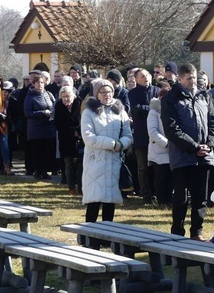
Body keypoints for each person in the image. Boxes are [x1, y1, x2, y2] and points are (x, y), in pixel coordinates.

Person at [161, 63, 214, 240]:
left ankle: (197, 232)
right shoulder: (170, 99)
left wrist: (209, 145)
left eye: (195, 77)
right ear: (180, 79)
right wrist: (194, 147)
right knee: (181, 198)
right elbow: (172, 129)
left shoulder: (205, 96)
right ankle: (177, 233)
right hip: (182, 156)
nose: (193, 81)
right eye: (189, 78)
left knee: (200, 198)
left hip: (204, 156)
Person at [81, 78, 133, 222]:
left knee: (110, 203)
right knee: (94, 202)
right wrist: (112, 144)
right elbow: (88, 137)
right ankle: (89, 238)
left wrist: (121, 144)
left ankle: (108, 237)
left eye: (109, 91)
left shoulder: (120, 111)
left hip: (114, 161)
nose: (106, 95)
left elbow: (128, 135)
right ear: (97, 94)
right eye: (103, 92)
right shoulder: (89, 112)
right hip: (95, 162)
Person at [128, 68, 160, 205]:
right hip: (141, 135)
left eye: (147, 75)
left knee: (156, 166)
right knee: (143, 167)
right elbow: (136, 109)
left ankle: (156, 193)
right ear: (136, 79)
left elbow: (161, 107)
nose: (146, 77)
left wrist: (147, 108)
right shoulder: (133, 93)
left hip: (157, 134)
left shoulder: (157, 91)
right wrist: (152, 108)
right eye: (142, 76)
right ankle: (145, 194)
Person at [24, 72, 56, 180]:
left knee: (47, 151)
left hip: (48, 127)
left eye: (42, 82)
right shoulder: (30, 96)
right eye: (38, 83)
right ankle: (38, 172)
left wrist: (52, 112)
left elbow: (54, 106)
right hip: (36, 129)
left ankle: (45, 171)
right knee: (37, 151)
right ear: (33, 84)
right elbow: (27, 113)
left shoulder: (48, 94)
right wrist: (43, 113)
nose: (40, 85)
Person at [147, 83, 174, 208]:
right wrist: (166, 143)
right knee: (161, 177)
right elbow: (153, 131)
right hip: (159, 149)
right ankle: (162, 201)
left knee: (170, 177)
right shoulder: (153, 111)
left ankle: (169, 199)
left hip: (172, 150)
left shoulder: (172, 110)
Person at [54, 86, 83, 195]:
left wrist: (78, 132)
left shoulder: (78, 103)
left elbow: (82, 119)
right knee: (68, 163)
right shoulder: (59, 106)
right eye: (63, 97)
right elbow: (58, 124)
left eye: (68, 96)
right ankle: (71, 187)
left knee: (81, 164)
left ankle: (81, 188)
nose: (66, 98)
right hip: (65, 139)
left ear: (73, 95)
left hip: (80, 138)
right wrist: (72, 132)